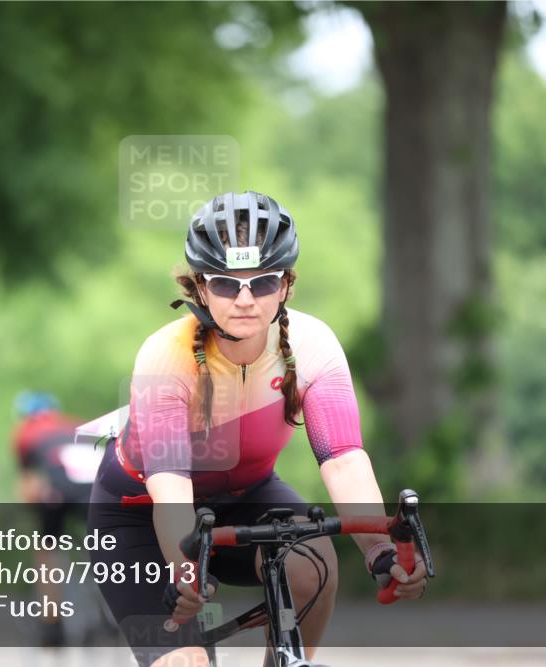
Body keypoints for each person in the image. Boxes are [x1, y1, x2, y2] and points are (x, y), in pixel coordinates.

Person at [87, 191, 428, 667]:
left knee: (314, 564)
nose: (245, 300)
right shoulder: (165, 356)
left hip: (246, 495)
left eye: (263, 282)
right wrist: (187, 570)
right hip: (142, 513)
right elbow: (169, 491)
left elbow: (344, 459)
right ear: (199, 287)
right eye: (226, 285)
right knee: (186, 663)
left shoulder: (313, 345)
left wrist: (380, 550)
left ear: (286, 284)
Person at [11, 391, 96, 647]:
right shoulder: (74, 424)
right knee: (107, 539)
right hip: (98, 489)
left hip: (60, 491)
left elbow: (28, 485)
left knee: (47, 547)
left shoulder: (25, 433)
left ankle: (52, 624)